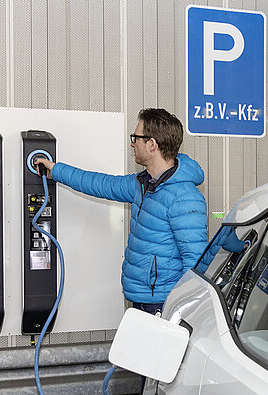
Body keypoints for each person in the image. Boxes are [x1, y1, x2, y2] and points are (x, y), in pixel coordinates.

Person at [34, 108, 208, 316]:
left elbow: (196, 261)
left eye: (136, 137)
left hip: (163, 303)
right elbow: (101, 183)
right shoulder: (142, 184)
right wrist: (56, 170)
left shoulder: (184, 196)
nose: (132, 143)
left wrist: (178, 309)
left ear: (152, 144)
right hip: (143, 297)